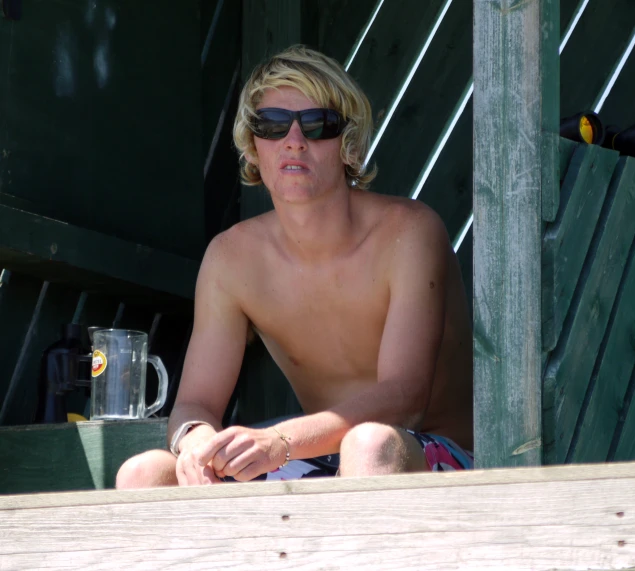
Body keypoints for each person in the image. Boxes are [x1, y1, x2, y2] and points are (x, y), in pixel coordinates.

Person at [115, 45, 473, 488]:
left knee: (368, 446)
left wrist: (279, 440)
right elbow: (195, 404)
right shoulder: (232, 259)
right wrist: (195, 443)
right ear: (251, 146)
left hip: (437, 459)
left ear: (348, 143)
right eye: (272, 125)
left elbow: (405, 401)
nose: (294, 141)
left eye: (319, 125)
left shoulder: (410, 233)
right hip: (316, 457)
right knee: (144, 474)